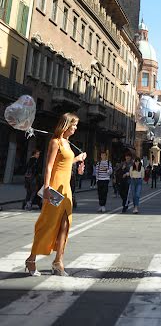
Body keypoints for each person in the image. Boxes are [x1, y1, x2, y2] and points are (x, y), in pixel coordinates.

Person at [25, 113, 86, 277]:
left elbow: (65, 162)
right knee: (47, 223)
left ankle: (58, 261)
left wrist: (78, 161)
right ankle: (31, 259)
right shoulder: (55, 142)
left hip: (66, 188)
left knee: (65, 225)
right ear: (66, 125)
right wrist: (46, 187)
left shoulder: (67, 143)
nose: (76, 128)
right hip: (55, 188)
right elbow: (49, 166)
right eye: (74, 125)